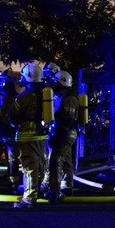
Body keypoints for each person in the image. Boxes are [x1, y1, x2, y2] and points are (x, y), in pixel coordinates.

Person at [11, 62, 49, 209]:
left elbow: (13, 117)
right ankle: (35, 191)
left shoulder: (22, 97)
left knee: (29, 167)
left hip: (27, 135)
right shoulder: (45, 95)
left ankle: (29, 198)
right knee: (38, 165)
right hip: (42, 136)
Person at [44, 71, 79, 203]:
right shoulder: (60, 96)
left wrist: (53, 116)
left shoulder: (69, 98)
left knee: (55, 159)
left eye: (56, 82)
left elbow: (68, 119)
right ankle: (67, 187)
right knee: (66, 160)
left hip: (66, 133)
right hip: (61, 132)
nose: (54, 84)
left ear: (63, 82)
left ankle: (54, 191)